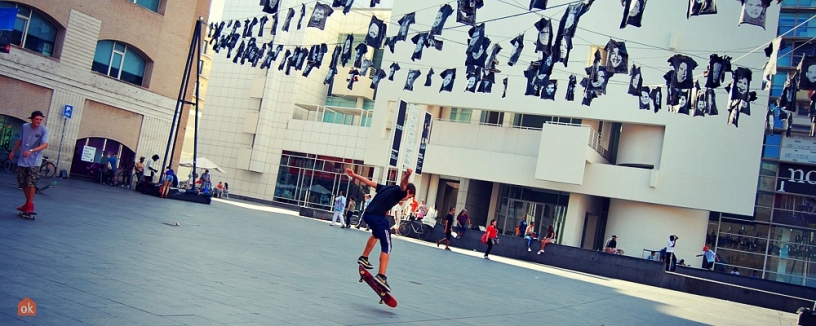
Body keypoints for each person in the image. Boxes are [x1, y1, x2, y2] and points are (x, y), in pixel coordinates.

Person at [348, 167, 416, 292]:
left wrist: (354, 175)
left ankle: (364, 257)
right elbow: (403, 185)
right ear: (408, 192)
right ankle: (381, 276)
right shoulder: (401, 191)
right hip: (377, 218)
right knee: (387, 245)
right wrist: (407, 175)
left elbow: (369, 182)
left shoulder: (386, 188)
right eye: (409, 197)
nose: (406, 199)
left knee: (376, 234)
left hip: (368, 215)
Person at [9, 110, 49, 214]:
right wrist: (13, 151)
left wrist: (31, 151)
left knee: (31, 182)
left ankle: (30, 204)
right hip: (23, 159)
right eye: (37, 119)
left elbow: (45, 145)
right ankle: (28, 203)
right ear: (32, 119)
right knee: (22, 182)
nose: (39, 121)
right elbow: (21, 140)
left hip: (34, 160)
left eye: (40, 119)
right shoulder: (25, 127)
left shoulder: (44, 130)